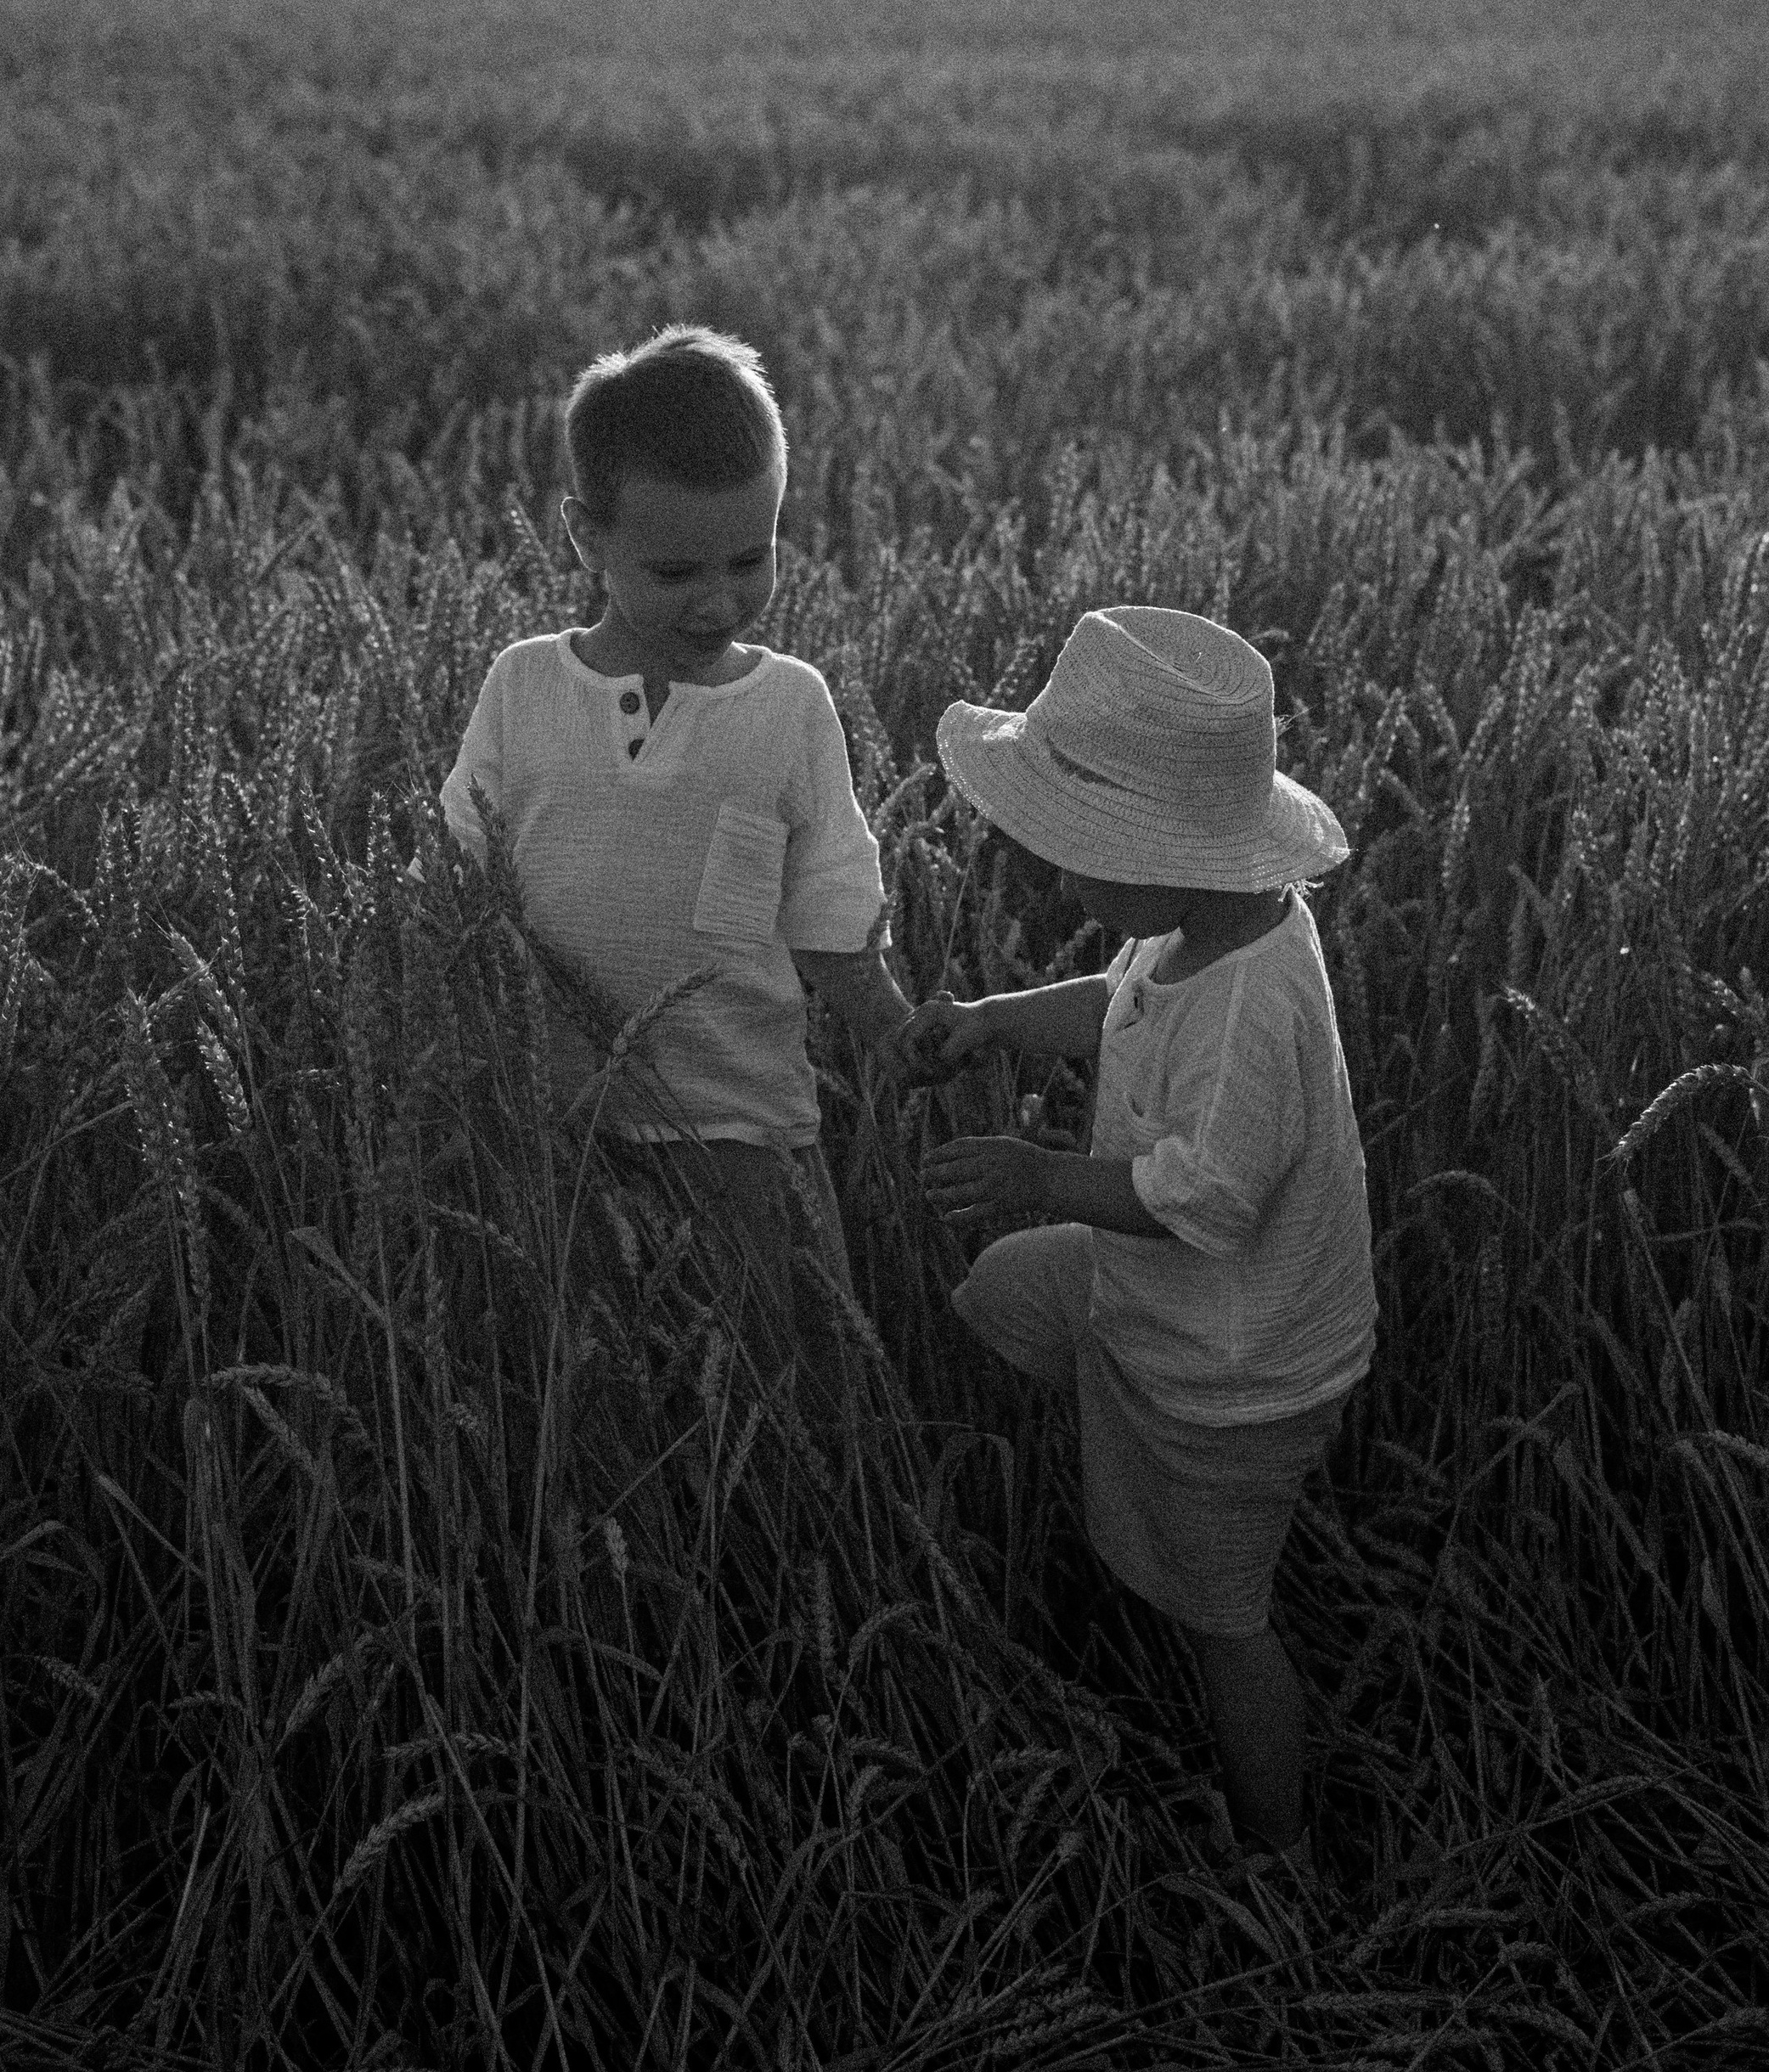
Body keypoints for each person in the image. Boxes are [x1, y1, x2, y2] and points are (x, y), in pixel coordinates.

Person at [895, 605, 1374, 1867]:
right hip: (1164, 1306)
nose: (1060, 877)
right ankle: (1070, 1513)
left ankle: (1277, 1856)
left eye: (1082, 849)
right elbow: (1115, 1003)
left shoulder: (1255, 997)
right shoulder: (1200, 926)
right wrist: (993, 1020)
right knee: (999, 1295)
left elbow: (1213, 1199)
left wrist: (1043, 1174)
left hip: (1238, 1369)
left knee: (1230, 1619)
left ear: (1178, 853)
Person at [442, 324, 910, 1369]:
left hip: (739, 1119)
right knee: (597, 1359)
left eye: (752, 559)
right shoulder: (523, 687)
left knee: (780, 1356)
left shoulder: (788, 707)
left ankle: (796, 1524)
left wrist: (894, 1031)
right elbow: (462, 878)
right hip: (564, 1114)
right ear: (583, 538)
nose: (718, 598)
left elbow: (829, 903)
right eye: (674, 569)